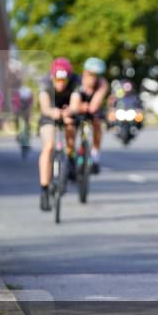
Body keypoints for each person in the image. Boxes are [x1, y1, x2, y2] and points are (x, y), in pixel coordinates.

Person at [37, 58, 81, 211]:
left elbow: (75, 103)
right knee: (49, 147)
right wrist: (52, 112)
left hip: (66, 112)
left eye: (64, 79)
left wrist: (70, 111)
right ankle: (43, 190)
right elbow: (44, 106)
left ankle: (70, 157)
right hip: (50, 114)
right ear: (52, 77)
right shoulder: (45, 83)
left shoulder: (76, 82)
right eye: (57, 79)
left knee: (71, 125)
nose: (61, 83)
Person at [76, 57, 109, 173]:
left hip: (92, 110)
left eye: (96, 75)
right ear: (85, 72)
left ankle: (95, 155)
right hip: (77, 108)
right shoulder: (77, 81)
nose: (93, 78)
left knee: (97, 122)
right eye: (91, 74)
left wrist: (88, 107)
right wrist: (79, 107)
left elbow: (94, 105)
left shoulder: (102, 84)